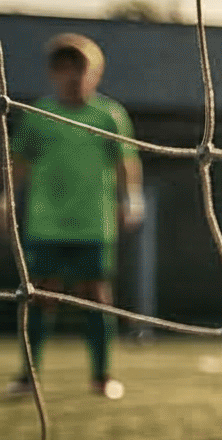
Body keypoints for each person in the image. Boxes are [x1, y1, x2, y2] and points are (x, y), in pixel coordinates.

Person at [6, 33, 143, 400]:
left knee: (96, 296)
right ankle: (27, 377)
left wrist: (132, 198)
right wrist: (6, 199)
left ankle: (102, 377)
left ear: (95, 72)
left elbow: (126, 160)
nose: (74, 77)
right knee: (40, 295)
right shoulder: (38, 115)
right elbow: (19, 162)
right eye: (65, 70)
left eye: (81, 69)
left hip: (93, 223)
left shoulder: (109, 115)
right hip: (45, 222)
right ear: (53, 73)